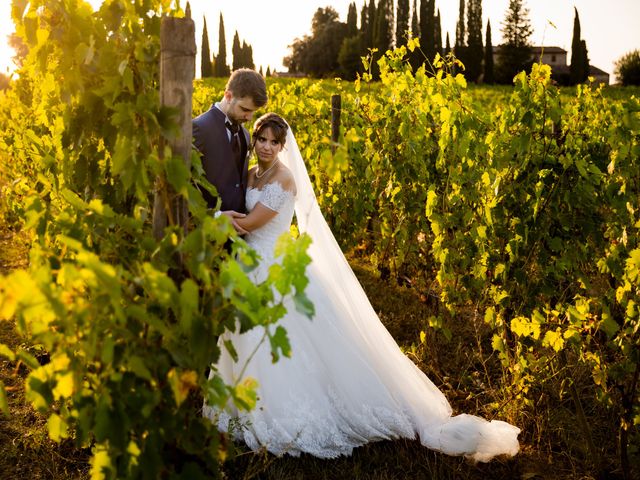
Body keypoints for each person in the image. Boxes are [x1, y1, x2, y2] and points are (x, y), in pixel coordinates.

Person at [203, 112, 521, 462]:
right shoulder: (252, 174)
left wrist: (214, 218)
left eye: (273, 142)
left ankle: (284, 411)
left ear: (283, 146)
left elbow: (248, 224)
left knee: (279, 340)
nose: (265, 147)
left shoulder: (283, 180)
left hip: (272, 265)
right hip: (251, 265)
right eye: (261, 139)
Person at [192, 68, 268, 234]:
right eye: (245, 110)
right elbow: (184, 187)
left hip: (237, 241)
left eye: (253, 112)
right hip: (205, 236)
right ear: (228, 96)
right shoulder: (198, 128)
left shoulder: (246, 135)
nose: (249, 118)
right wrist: (214, 216)